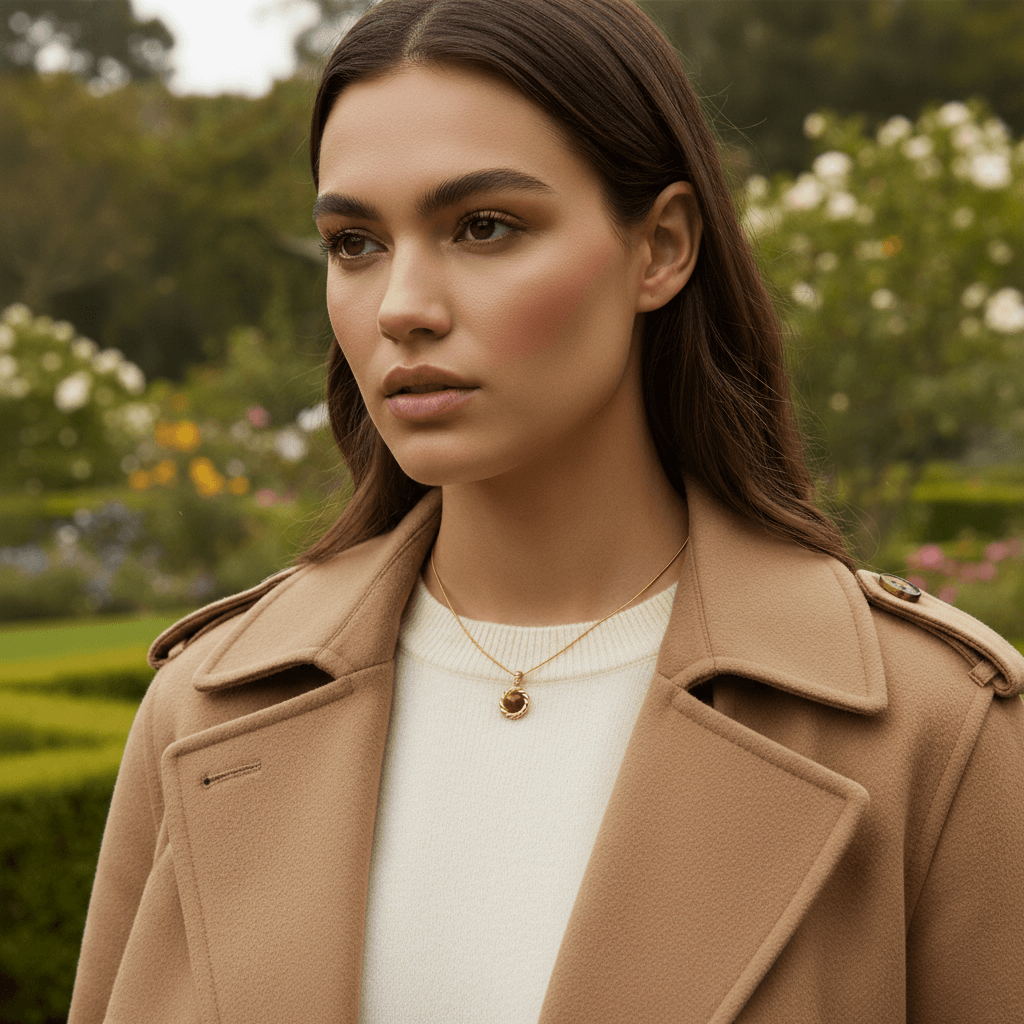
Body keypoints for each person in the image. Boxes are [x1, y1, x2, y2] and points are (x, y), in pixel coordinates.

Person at [68, 0, 1024, 1021]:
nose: (401, 304)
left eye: (483, 226)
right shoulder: (206, 707)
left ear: (659, 247)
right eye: (354, 242)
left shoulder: (933, 730)